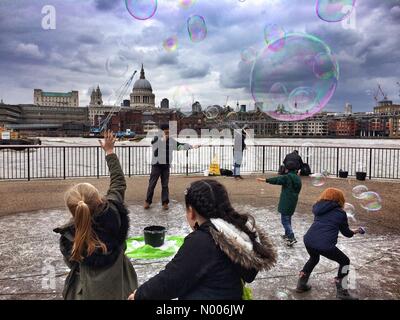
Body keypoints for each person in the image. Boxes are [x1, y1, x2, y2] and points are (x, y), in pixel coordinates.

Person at [129, 179, 277, 300]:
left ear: (191, 212)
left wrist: (139, 295)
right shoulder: (238, 234)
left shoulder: (203, 241)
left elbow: (171, 281)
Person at [53, 131, 138, 300]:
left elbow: (72, 264)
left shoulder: (70, 236)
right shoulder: (114, 213)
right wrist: (109, 152)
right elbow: (118, 182)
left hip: (89, 293)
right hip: (121, 287)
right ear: (99, 199)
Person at [296, 188, 361, 300]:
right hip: (324, 244)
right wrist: (356, 231)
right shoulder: (340, 213)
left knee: (313, 258)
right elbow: (347, 233)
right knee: (345, 261)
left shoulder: (318, 208)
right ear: (340, 199)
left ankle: (301, 284)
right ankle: (342, 291)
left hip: (309, 240)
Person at [144, 123, 199, 211]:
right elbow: (154, 143)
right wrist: (163, 139)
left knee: (165, 185)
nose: (168, 134)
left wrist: (191, 146)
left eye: (168, 132)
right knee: (152, 184)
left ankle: (165, 202)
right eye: (166, 132)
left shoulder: (171, 141)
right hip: (156, 165)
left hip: (166, 166)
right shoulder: (156, 138)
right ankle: (148, 201)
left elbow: (179, 146)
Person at [256, 161, 302, 247]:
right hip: (293, 201)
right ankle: (287, 235)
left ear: (287, 169)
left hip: (286, 201)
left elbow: (276, 180)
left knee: (284, 220)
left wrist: (264, 180)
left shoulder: (287, 177)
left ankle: (291, 237)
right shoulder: (297, 178)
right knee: (288, 219)